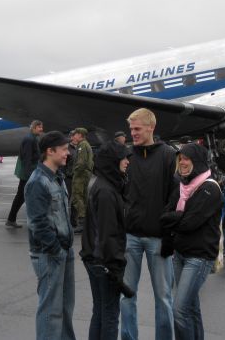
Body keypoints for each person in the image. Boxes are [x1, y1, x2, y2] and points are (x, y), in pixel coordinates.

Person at [120, 108, 177, 340]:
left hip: (158, 238)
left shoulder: (168, 155)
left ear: (150, 128)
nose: (132, 133)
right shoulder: (127, 156)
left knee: (163, 297)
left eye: (137, 129)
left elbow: (175, 197)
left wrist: (169, 234)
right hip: (130, 236)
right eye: (131, 129)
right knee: (127, 295)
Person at [160, 143, 222, 340]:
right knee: (191, 309)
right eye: (181, 159)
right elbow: (166, 214)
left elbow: (189, 223)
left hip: (199, 257)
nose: (183, 162)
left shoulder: (210, 189)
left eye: (187, 158)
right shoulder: (182, 186)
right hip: (179, 254)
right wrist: (177, 217)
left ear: (198, 161)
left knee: (179, 310)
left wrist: (175, 218)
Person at [24, 131, 75, 340]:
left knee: (65, 307)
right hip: (49, 254)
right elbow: (37, 223)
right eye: (64, 150)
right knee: (50, 311)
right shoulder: (38, 182)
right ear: (50, 151)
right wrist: (56, 249)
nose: (68, 153)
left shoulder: (57, 178)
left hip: (63, 250)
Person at [80, 141, 131, 340]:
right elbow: (107, 233)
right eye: (123, 158)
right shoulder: (107, 191)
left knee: (100, 312)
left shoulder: (101, 183)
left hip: (94, 259)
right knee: (110, 315)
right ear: (113, 161)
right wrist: (114, 268)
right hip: (104, 263)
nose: (127, 162)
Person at [7, 120, 43, 228]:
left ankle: (11, 219)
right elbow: (27, 159)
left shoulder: (33, 138)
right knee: (23, 196)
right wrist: (29, 176)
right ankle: (13, 219)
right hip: (27, 174)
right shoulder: (29, 139)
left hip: (30, 172)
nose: (42, 129)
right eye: (40, 127)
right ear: (35, 127)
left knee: (22, 197)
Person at [71, 127, 94, 234]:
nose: (74, 136)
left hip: (80, 175)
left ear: (80, 135)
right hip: (85, 174)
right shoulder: (86, 145)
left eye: (75, 134)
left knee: (77, 197)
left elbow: (81, 163)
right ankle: (85, 222)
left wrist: (74, 172)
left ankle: (82, 222)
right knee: (83, 197)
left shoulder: (82, 145)